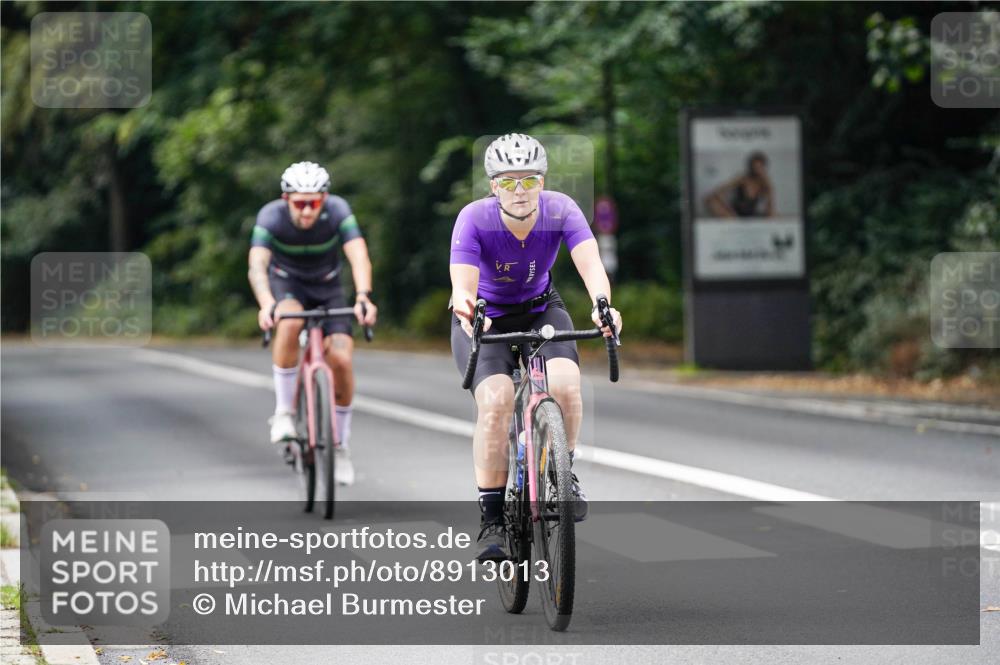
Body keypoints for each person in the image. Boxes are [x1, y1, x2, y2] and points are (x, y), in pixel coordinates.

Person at [449, 134, 623, 561]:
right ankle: (492, 517)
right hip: (485, 316)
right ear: (493, 187)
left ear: (542, 182)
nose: (520, 190)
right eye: (508, 182)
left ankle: (564, 474)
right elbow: (462, 289)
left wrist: (605, 308)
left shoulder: (561, 209)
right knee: (496, 401)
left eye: (529, 180)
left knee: (566, 385)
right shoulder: (474, 218)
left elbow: (590, 266)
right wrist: (472, 314)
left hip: (541, 308)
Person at [248, 161, 377, 486]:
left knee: (342, 360)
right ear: (285, 199)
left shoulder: (337, 211)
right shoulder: (270, 216)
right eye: (300, 203)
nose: (307, 210)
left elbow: (358, 254)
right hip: (286, 285)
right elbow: (257, 266)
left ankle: (340, 446)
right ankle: (284, 413)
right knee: (288, 322)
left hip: (328, 287)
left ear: (325, 198)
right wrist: (267, 305)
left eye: (314, 202)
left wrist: (363, 296)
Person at [704, 151, 775, 218]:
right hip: (735, 215)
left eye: (759, 167)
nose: (757, 170)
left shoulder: (765, 183)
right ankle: (732, 220)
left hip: (752, 215)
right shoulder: (742, 179)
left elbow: (770, 208)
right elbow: (719, 190)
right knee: (710, 199)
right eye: (755, 167)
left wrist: (769, 187)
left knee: (774, 216)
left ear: (763, 168)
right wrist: (727, 209)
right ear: (750, 167)